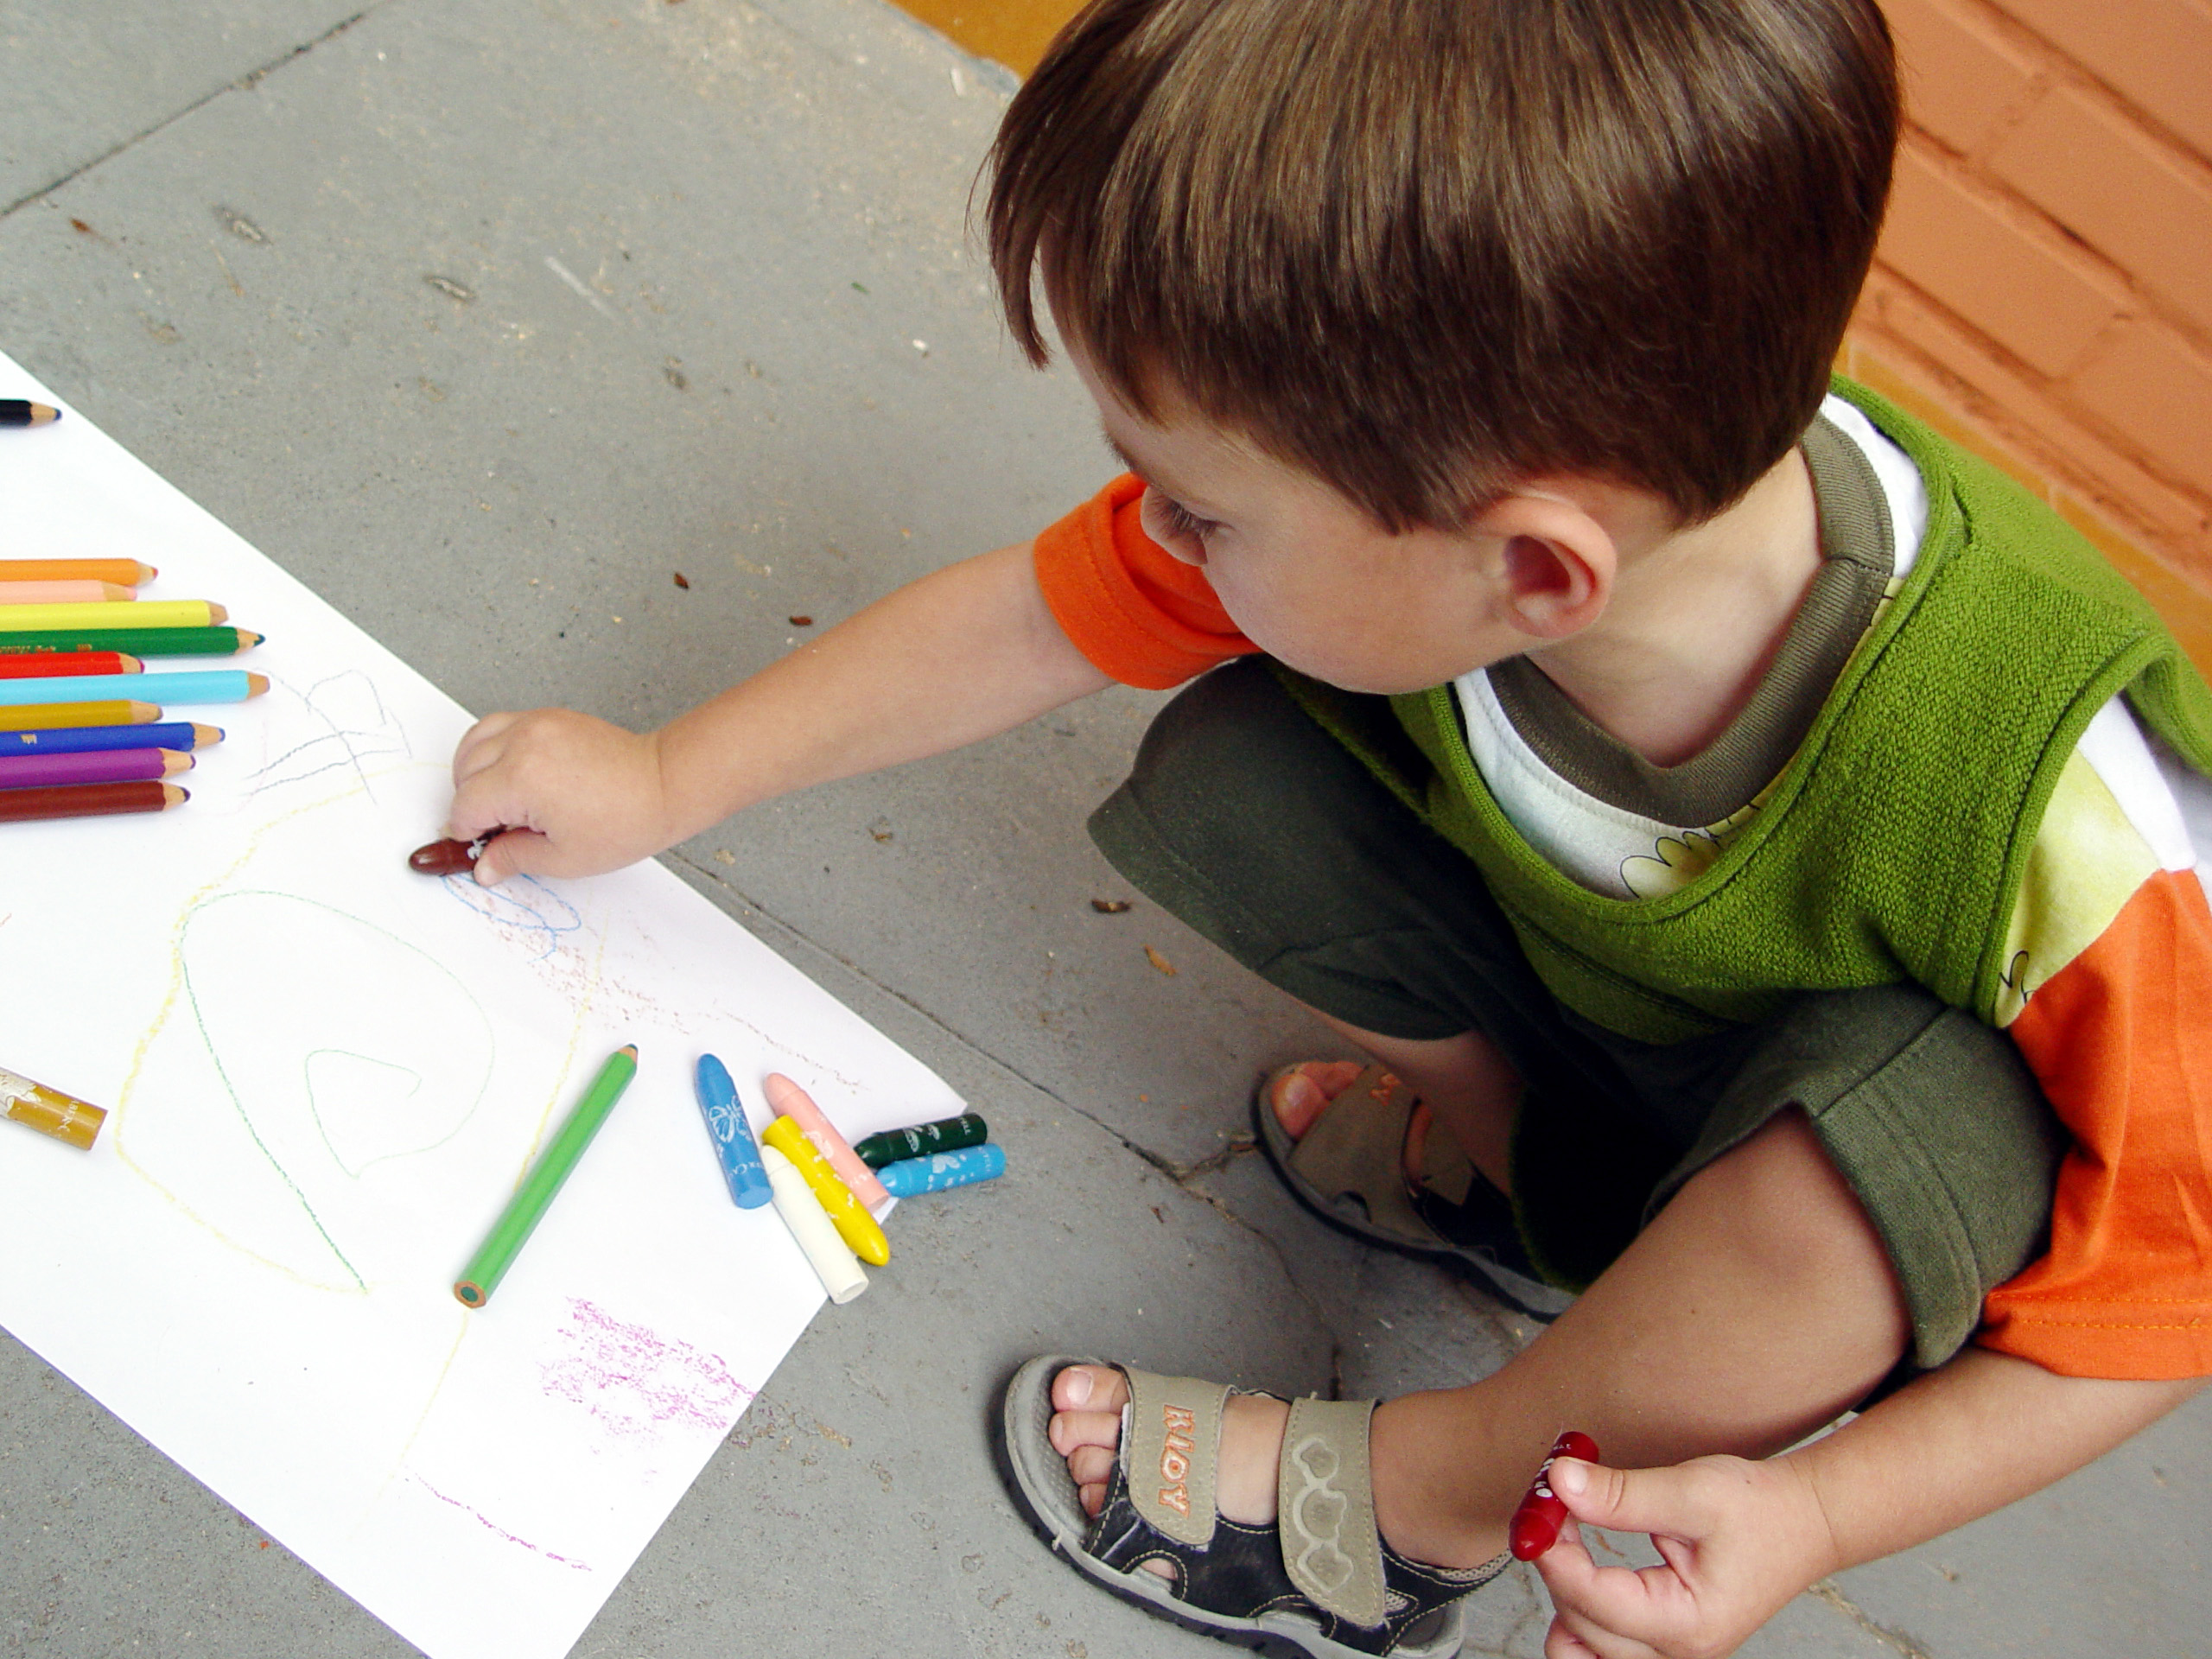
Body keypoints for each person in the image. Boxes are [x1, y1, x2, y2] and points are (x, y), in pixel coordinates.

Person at [442, 2, 2212, 1654]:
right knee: (1239, 770)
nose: (1161, 529)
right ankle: (1541, 1201)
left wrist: (1812, 1512)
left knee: (1914, 1155)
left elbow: (2152, 1320)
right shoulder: (1493, 495)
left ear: (1533, 569)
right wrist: (666, 781)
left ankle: (1422, 1511)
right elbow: (1029, 620)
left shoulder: (2069, 826)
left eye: (1203, 507)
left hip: (1812, 1211)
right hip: (1616, 1040)